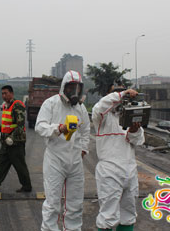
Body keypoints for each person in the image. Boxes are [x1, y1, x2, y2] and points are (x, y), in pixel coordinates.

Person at [35, 70, 90, 231]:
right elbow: (40, 126)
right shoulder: (51, 103)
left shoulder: (80, 108)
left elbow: (86, 130)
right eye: (71, 88)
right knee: (53, 204)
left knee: (75, 204)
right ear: (64, 87)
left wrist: (83, 150)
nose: (75, 92)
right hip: (55, 159)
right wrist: (58, 128)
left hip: (75, 161)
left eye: (77, 88)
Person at [92, 84, 145, 231]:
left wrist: (134, 130)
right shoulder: (101, 118)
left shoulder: (129, 117)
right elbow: (100, 107)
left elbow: (138, 141)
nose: (121, 98)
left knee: (128, 215)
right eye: (116, 94)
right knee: (108, 215)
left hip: (130, 169)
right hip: (109, 170)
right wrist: (121, 94)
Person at [0, 85, 32, 193]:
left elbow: (20, 125)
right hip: (6, 141)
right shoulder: (6, 106)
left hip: (16, 141)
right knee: (1, 162)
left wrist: (11, 138)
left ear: (11, 93)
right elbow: (7, 123)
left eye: (6, 93)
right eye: (2, 93)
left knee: (19, 165)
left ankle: (27, 186)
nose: (4, 96)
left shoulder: (17, 105)